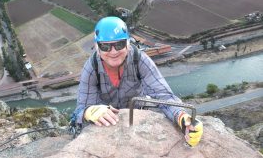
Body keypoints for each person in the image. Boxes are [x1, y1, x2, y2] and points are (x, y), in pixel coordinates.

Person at [71, 16, 203, 147]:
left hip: (136, 113)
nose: (113, 51)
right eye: (105, 46)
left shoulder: (139, 60)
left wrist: (181, 117)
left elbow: (164, 96)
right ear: (97, 47)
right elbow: (80, 111)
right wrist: (89, 112)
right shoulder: (91, 68)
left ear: (128, 44)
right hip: (105, 119)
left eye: (119, 44)